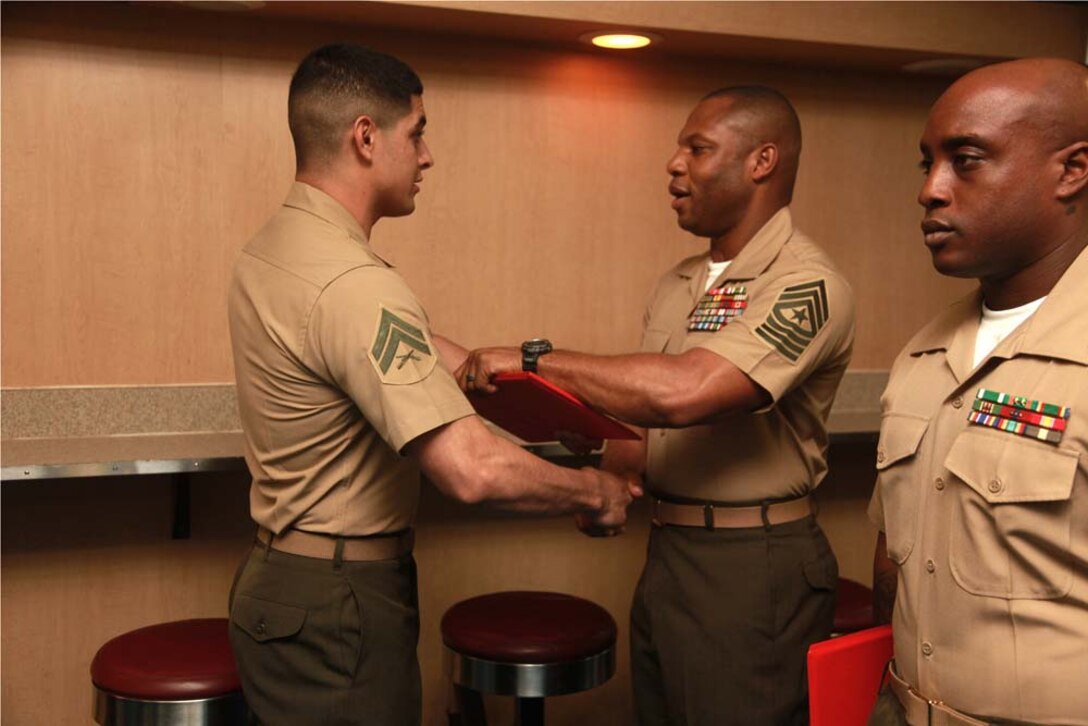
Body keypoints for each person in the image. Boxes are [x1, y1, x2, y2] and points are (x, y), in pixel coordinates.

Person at [226, 43, 637, 726]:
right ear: (365, 138)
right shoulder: (355, 285)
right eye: (416, 132)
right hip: (338, 602)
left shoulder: (277, 250)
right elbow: (470, 470)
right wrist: (593, 489)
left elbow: (437, 358)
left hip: (283, 585)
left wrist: (556, 402)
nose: (427, 155)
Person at [457, 87, 856, 725]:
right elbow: (647, 422)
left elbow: (685, 392)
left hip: (752, 564)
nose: (673, 164)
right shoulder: (679, 283)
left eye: (697, 149)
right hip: (669, 552)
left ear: (762, 162)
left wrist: (534, 361)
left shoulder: (805, 285)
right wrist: (608, 470)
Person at [868, 58, 1088, 725]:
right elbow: (895, 566)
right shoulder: (925, 353)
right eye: (926, 163)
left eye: (966, 160)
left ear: (1072, 171)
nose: (930, 191)